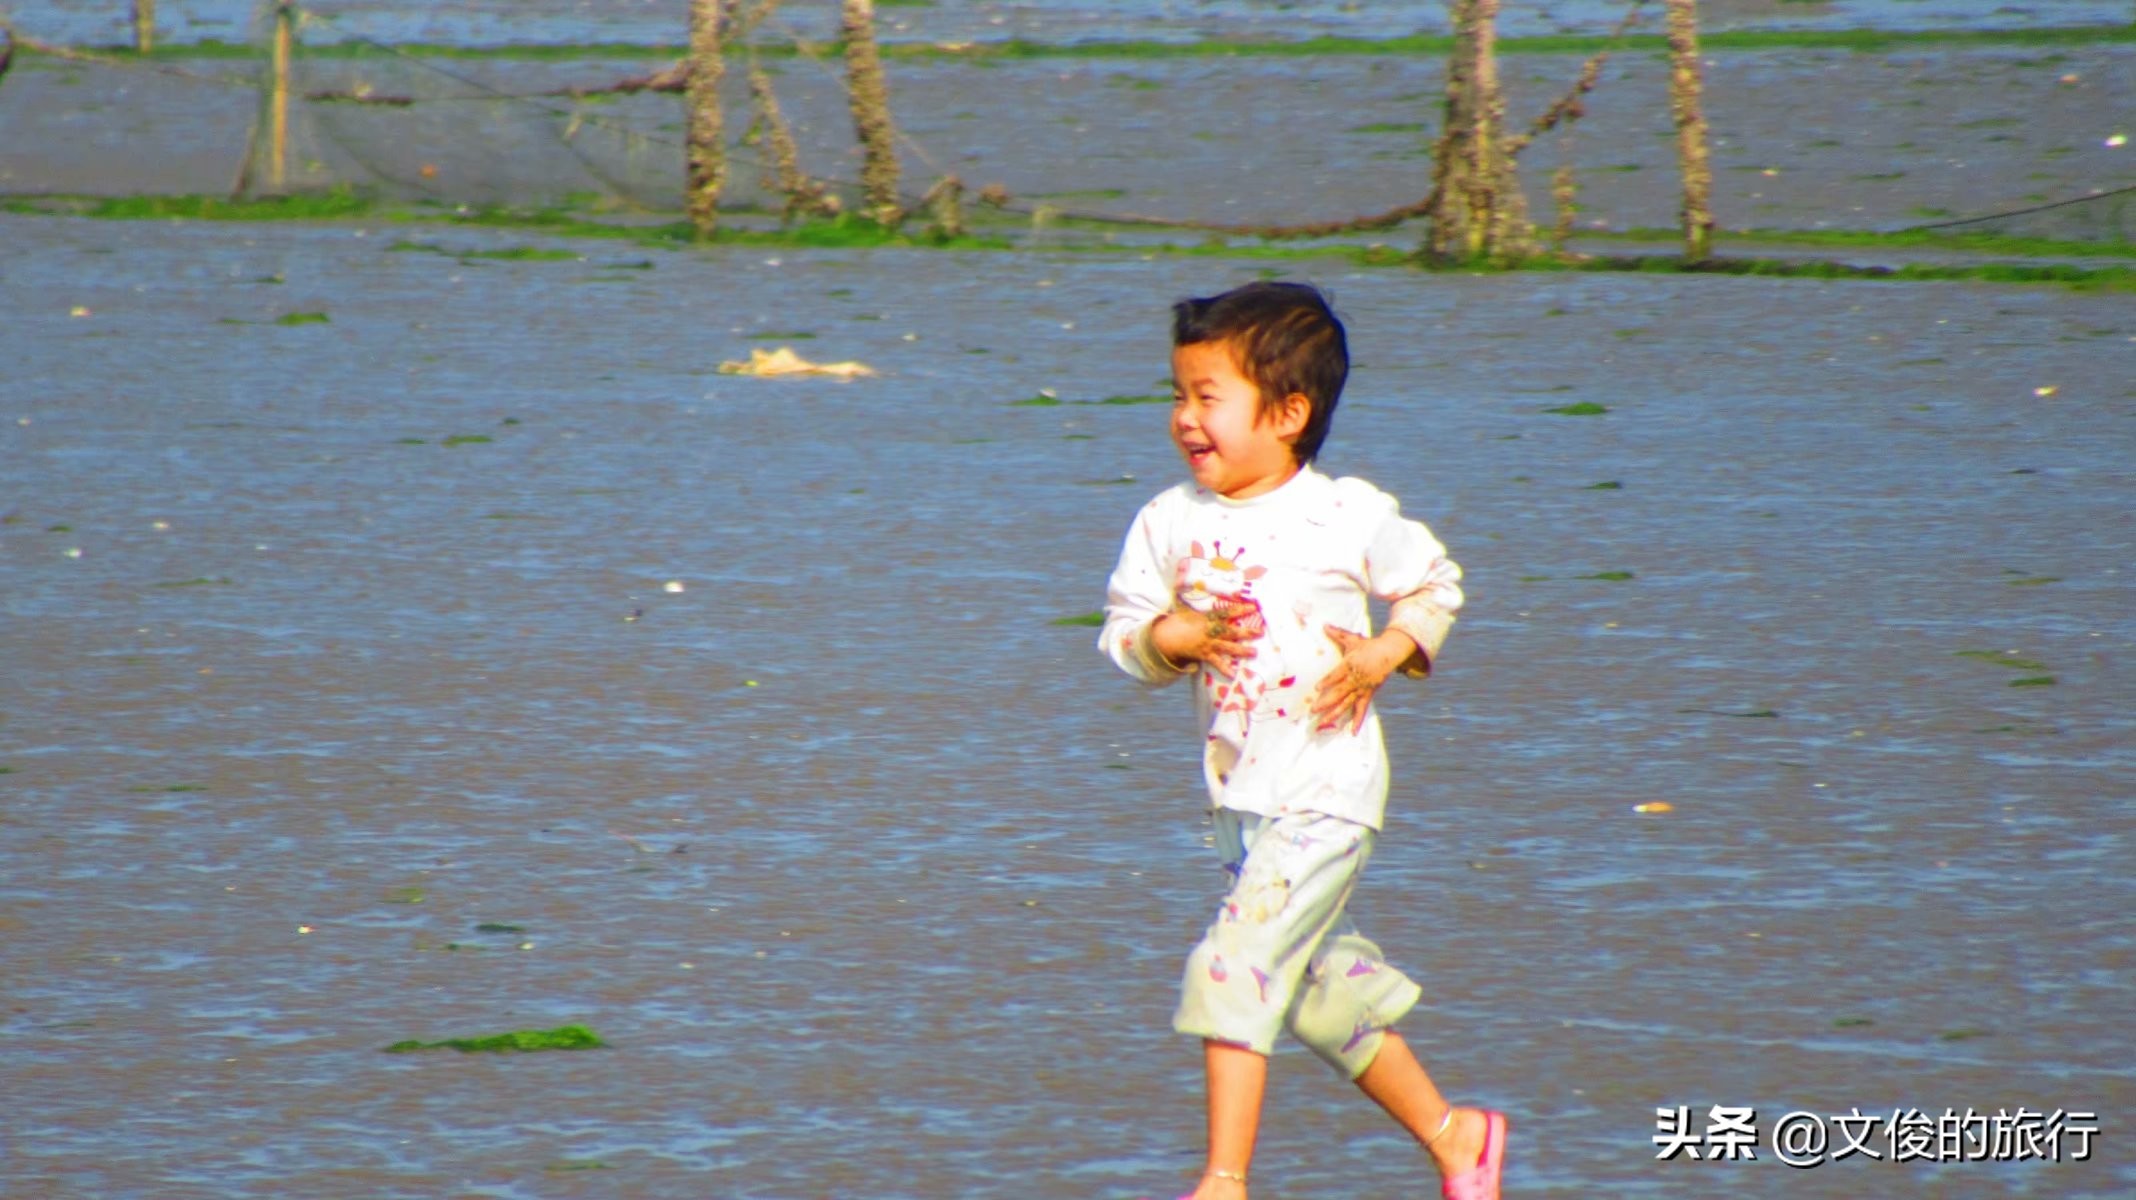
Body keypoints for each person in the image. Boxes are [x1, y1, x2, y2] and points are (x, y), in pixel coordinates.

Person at [1098, 281, 1504, 1200]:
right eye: (1178, 394)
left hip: (1329, 790)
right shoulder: (1169, 522)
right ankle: (1458, 1141)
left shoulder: (1345, 513)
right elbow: (1125, 631)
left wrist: (1384, 653)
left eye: (1210, 397)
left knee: (1234, 964)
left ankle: (1223, 1181)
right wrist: (1172, 639)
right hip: (1240, 799)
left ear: (1288, 413)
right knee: (1321, 995)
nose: (1185, 419)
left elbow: (1434, 585)